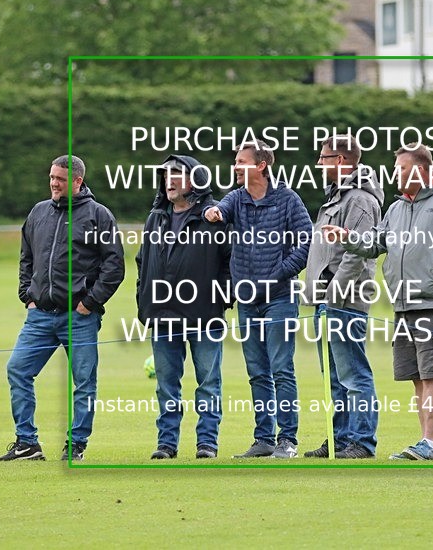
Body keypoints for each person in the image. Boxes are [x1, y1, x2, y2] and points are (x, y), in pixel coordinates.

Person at [323, 144, 433, 460]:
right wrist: (346, 237)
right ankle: (424, 442)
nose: (396, 174)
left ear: (419, 170)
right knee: (417, 377)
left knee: (431, 374)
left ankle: (430, 442)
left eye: (401, 168)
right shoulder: (396, 208)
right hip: (403, 304)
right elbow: (375, 243)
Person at [0, 155, 125, 462]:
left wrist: (89, 303)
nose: (54, 183)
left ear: (78, 181)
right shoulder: (39, 212)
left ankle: (76, 444)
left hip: (79, 317)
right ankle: (27, 443)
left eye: (60, 179)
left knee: (84, 382)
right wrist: (27, 295)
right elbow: (26, 257)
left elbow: (114, 266)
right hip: (39, 316)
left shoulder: (99, 215)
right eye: (52, 177)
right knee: (18, 370)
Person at [205, 139, 312, 458]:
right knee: (257, 371)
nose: (235, 167)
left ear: (261, 165)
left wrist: (280, 272)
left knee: (281, 368)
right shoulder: (236, 197)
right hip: (247, 300)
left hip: (280, 297)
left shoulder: (288, 199)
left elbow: (307, 242)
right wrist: (213, 212)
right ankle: (264, 438)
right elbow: (221, 210)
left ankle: (287, 440)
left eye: (242, 162)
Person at [136, 155, 231, 460]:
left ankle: (207, 443)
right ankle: (166, 444)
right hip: (162, 316)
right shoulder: (155, 218)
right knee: (166, 386)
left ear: (196, 180)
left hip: (204, 316)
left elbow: (229, 261)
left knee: (208, 383)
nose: (170, 181)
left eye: (177, 174)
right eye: (166, 175)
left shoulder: (213, 217)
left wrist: (222, 297)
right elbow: (142, 261)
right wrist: (143, 300)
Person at [302, 135, 383, 459]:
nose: (319, 163)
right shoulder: (337, 195)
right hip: (326, 301)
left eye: (324, 157)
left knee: (353, 374)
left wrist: (334, 294)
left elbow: (357, 253)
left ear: (341, 160)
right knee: (334, 376)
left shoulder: (359, 199)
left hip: (345, 301)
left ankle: (362, 442)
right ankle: (339, 439)